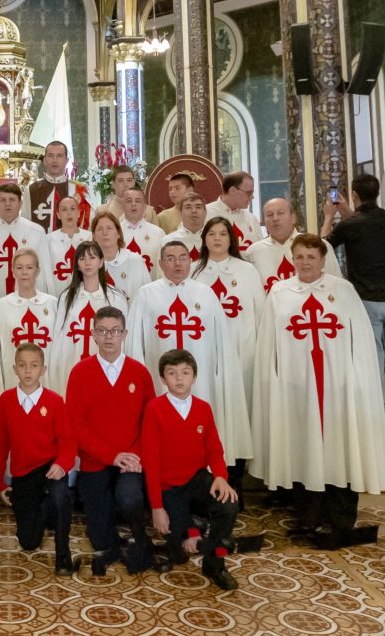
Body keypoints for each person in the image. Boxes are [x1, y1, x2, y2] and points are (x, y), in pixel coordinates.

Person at [252, 233, 385, 548]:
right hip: (296, 386)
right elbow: (268, 345)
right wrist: (274, 381)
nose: (305, 263)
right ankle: (308, 518)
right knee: (304, 448)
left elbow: (362, 343)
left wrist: (356, 381)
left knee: (341, 449)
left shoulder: (343, 291)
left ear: (322, 260)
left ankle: (342, 518)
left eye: (311, 257)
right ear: (292, 258)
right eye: (299, 257)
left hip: (338, 385)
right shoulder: (280, 292)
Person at [126, 241, 252, 478]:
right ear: (161, 263)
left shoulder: (205, 294)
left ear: (189, 261)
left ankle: (205, 484)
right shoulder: (146, 294)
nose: (177, 263)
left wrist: (220, 375)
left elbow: (221, 342)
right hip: (159, 378)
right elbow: (135, 344)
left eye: (182, 257)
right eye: (170, 258)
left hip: (201, 381)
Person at [66, 306, 155, 576]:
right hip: (95, 461)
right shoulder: (80, 372)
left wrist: (133, 456)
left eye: (115, 331)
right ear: (93, 334)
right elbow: (76, 426)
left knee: (129, 498)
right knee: (101, 539)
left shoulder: (139, 372)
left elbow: (149, 423)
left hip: (131, 460)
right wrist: (110, 455)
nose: (109, 337)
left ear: (124, 334)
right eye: (102, 331)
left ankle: (140, 535)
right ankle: (113, 533)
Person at [142, 349, 240, 590]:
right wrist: (157, 508)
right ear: (163, 379)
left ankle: (215, 563)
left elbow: (214, 450)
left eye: (185, 373)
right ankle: (195, 528)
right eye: (172, 373)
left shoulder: (203, 408)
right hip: (169, 487)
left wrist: (220, 477)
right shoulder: (154, 409)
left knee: (228, 503)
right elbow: (151, 462)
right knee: (180, 553)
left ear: (194, 377)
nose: (179, 378)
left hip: (196, 481)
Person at [321, 175, 385, 429]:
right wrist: (348, 209)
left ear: (354, 194)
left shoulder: (350, 226)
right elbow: (365, 224)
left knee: (372, 358)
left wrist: (330, 216)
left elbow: (323, 248)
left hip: (366, 301)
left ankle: (380, 415)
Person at [0, 343, 78, 576]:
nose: (28, 371)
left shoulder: (54, 401)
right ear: (15, 368)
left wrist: (62, 464)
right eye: (22, 366)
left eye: (34, 366)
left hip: (50, 467)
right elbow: (2, 446)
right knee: (28, 542)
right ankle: (43, 508)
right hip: (23, 474)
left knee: (61, 496)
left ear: (43, 369)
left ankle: (63, 555)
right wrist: (0, 483)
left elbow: (68, 442)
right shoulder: (6, 401)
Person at [191, 218, 264, 423]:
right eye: (212, 234)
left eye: (223, 234)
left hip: (241, 343)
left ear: (231, 239)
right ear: (204, 239)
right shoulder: (193, 271)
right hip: (204, 344)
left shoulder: (247, 270)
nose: (217, 238)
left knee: (240, 396)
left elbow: (260, 312)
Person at [49, 241, 128, 389]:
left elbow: (124, 338)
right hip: (73, 362)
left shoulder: (116, 297)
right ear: (77, 265)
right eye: (82, 258)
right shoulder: (66, 298)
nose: (87, 262)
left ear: (101, 262)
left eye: (92, 257)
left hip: (109, 363)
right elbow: (59, 339)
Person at [0, 249, 58, 391]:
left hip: (48, 382)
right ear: (13, 271)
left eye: (29, 267)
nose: (24, 272)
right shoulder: (2, 305)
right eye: (19, 267)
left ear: (37, 271)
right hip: (13, 381)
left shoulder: (52, 304)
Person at [0, 184, 51, 300]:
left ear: (20, 204)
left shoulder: (36, 232)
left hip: (29, 300)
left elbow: (46, 270)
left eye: (12, 200)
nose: (7, 204)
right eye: (3, 200)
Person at [248, 197, 340, 293]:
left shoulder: (318, 245)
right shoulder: (253, 252)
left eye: (280, 213)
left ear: (293, 218)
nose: (275, 218)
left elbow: (336, 286)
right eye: (269, 215)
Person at [22, 141, 92, 232]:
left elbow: (87, 227)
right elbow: (25, 224)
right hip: (39, 245)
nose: (55, 160)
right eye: (50, 155)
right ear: (44, 160)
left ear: (66, 161)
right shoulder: (31, 190)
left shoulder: (79, 190)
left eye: (59, 156)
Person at [92, 211, 150, 301]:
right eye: (99, 229)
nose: (105, 233)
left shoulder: (135, 261)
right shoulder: (88, 263)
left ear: (118, 233)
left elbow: (147, 296)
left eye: (109, 228)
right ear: (94, 236)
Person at [44, 196, 93, 295]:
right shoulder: (48, 240)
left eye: (73, 208)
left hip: (86, 294)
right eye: (64, 209)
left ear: (79, 213)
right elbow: (46, 273)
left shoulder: (90, 237)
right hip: (58, 294)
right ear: (58, 214)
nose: (69, 213)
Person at [205, 171, 261, 252]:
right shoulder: (204, 214)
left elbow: (259, 250)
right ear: (232, 190)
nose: (252, 197)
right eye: (249, 193)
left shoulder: (251, 219)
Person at [120, 188, 165, 271]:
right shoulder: (114, 233)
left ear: (145, 206)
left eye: (138, 201)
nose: (133, 204)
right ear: (122, 206)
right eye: (129, 201)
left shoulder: (158, 233)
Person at [162, 191, 207, 260]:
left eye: (198, 207)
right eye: (188, 207)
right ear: (181, 212)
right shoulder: (168, 241)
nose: (194, 211)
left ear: (205, 212)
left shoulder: (216, 240)